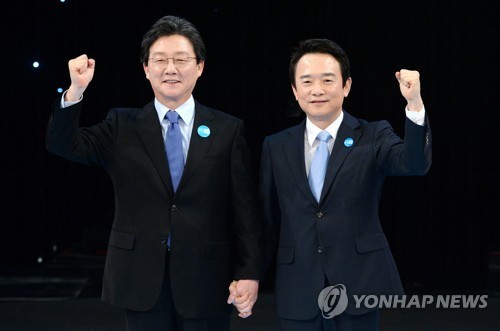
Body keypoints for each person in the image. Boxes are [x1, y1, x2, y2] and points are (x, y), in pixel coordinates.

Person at [46, 15, 262, 331]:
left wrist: (249, 272)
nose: (170, 68)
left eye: (181, 59)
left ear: (199, 66)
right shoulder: (122, 125)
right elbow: (62, 144)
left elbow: (244, 209)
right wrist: (76, 90)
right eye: (159, 60)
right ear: (146, 69)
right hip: (140, 277)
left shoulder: (227, 129)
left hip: (207, 277)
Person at [259, 38, 432, 330]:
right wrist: (250, 275)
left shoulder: (373, 134)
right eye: (307, 81)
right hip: (297, 285)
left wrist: (414, 103)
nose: (317, 90)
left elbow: (413, 164)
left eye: (328, 80)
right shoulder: (276, 146)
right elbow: (266, 217)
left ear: (346, 85)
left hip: (357, 282)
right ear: (294, 90)